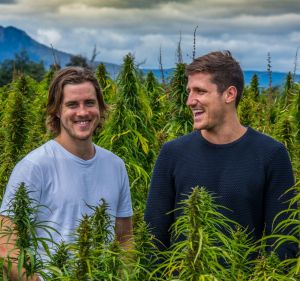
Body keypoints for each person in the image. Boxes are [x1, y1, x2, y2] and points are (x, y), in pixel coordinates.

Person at [144, 50, 296, 259]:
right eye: (189, 91)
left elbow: (283, 243)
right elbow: (153, 239)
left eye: (200, 91)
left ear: (229, 94)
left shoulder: (271, 154)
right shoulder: (172, 153)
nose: (190, 101)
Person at [0, 67, 133, 280]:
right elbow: (6, 245)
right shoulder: (34, 166)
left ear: (100, 107)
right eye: (72, 104)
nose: (82, 112)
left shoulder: (115, 165)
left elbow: (125, 237)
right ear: (57, 111)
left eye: (89, 102)